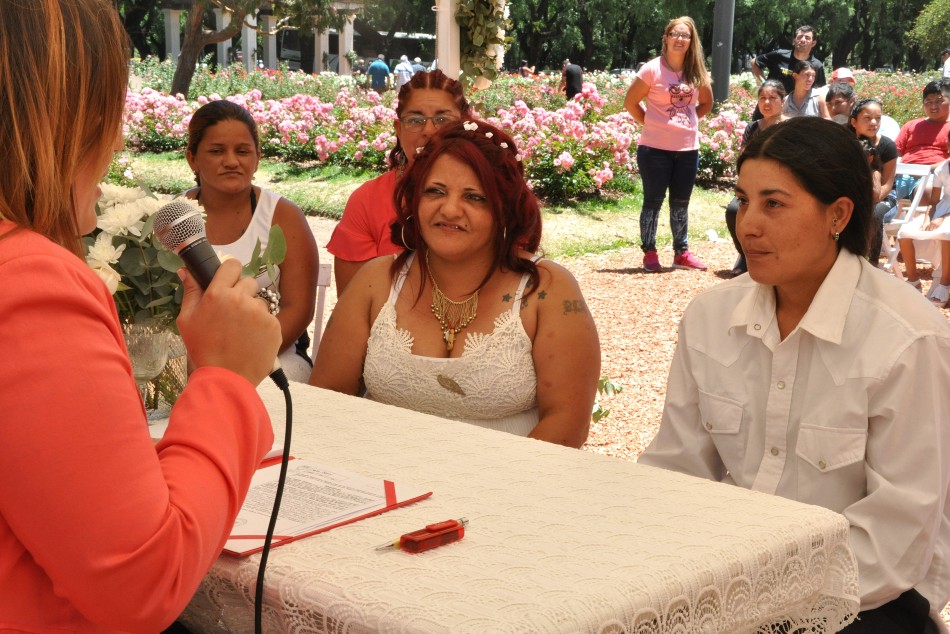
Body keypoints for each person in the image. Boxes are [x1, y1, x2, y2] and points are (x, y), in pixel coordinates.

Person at [0, 1, 282, 631]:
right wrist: (227, 380)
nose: (119, 140)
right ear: (64, 117)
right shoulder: (28, 284)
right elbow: (140, 582)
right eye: (112, 110)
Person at [639, 116, 950, 634]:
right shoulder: (711, 319)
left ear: (839, 215)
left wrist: (749, 598)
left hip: (865, 594)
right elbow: (676, 467)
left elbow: (895, 535)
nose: (747, 224)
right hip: (728, 572)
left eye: (774, 203)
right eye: (744, 199)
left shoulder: (908, 339)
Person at [310, 120, 600, 448]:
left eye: (474, 197)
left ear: (504, 208)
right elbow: (326, 397)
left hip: (512, 486)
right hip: (383, 480)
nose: (449, 210)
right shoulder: (376, 281)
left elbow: (566, 422)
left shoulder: (546, 290)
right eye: (435, 191)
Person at [185, 100, 320, 382]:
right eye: (216, 151)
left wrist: (245, 359)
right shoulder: (176, 217)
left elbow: (298, 309)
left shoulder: (283, 216)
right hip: (189, 359)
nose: (232, 161)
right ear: (192, 158)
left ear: (257, 158)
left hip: (272, 359)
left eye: (243, 151)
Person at [327, 70, 473, 296]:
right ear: (399, 129)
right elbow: (352, 306)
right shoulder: (367, 200)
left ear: (465, 123)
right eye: (415, 120)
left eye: (442, 119)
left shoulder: (491, 196)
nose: (429, 131)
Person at [623, 16, 714, 272]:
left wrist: (688, 122)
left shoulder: (697, 71)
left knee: (681, 202)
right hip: (654, 149)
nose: (680, 39)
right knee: (652, 200)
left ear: (691, 41)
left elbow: (707, 103)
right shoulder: (651, 69)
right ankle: (649, 251)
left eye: (685, 35)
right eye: (675, 34)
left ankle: (681, 253)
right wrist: (652, 123)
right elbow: (630, 102)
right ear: (666, 37)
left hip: (687, 150)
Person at [724, 79, 790, 275]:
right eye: (762, 98)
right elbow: (743, 160)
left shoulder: (791, 127)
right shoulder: (753, 128)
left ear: (782, 100)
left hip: (782, 186)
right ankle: (745, 256)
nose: (767, 103)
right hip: (754, 186)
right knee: (733, 210)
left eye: (772, 98)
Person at [896, 142, 950, 307]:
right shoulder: (943, 168)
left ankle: (944, 284)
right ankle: (913, 281)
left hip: (946, 214)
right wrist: (927, 217)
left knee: (947, 233)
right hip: (942, 208)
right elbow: (934, 201)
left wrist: (942, 218)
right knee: (904, 233)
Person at [850, 98, 899, 266]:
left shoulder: (887, 146)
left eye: (878, 118)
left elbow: (887, 185)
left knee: (874, 213)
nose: (873, 122)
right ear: (854, 122)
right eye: (867, 118)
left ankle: (872, 262)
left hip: (885, 199)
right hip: (854, 195)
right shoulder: (846, 143)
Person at [893, 81, 950, 218]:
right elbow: (893, 152)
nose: (933, 106)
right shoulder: (911, 125)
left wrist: (927, 170)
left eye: (939, 101)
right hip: (901, 174)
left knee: (927, 191)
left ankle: (920, 233)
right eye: (928, 102)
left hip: (933, 176)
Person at [751, 25, 826, 119]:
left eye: (807, 38)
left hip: (795, 111)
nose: (802, 40)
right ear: (794, 40)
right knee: (757, 131)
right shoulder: (779, 55)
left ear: (813, 43)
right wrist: (763, 83)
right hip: (769, 105)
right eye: (799, 37)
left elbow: (821, 90)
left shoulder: (816, 66)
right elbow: (755, 62)